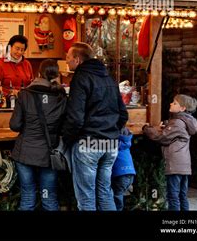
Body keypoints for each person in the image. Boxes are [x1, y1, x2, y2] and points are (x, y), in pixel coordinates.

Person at [63, 42, 128, 211]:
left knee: (86, 196)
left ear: (77, 60)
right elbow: (123, 114)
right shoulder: (109, 78)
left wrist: (68, 139)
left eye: (68, 58)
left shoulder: (80, 78)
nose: (66, 61)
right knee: (105, 191)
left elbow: (75, 118)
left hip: (88, 142)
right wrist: (111, 132)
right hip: (110, 144)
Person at [9, 59, 67, 211]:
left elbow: (14, 125)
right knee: (49, 198)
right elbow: (65, 126)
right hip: (49, 154)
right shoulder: (61, 97)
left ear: (39, 73)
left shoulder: (25, 94)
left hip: (25, 153)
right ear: (57, 74)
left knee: (28, 197)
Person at [143, 94, 197, 211]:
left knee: (173, 196)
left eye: (174, 103)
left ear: (182, 108)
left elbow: (162, 137)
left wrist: (146, 129)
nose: (170, 104)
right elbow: (172, 134)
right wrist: (166, 125)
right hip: (184, 165)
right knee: (182, 195)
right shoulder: (186, 121)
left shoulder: (177, 122)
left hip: (175, 164)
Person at [111, 126, 136, 211]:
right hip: (130, 174)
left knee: (116, 196)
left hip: (120, 174)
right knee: (119, 193)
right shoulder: (126, 143)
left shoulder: (116, 144)